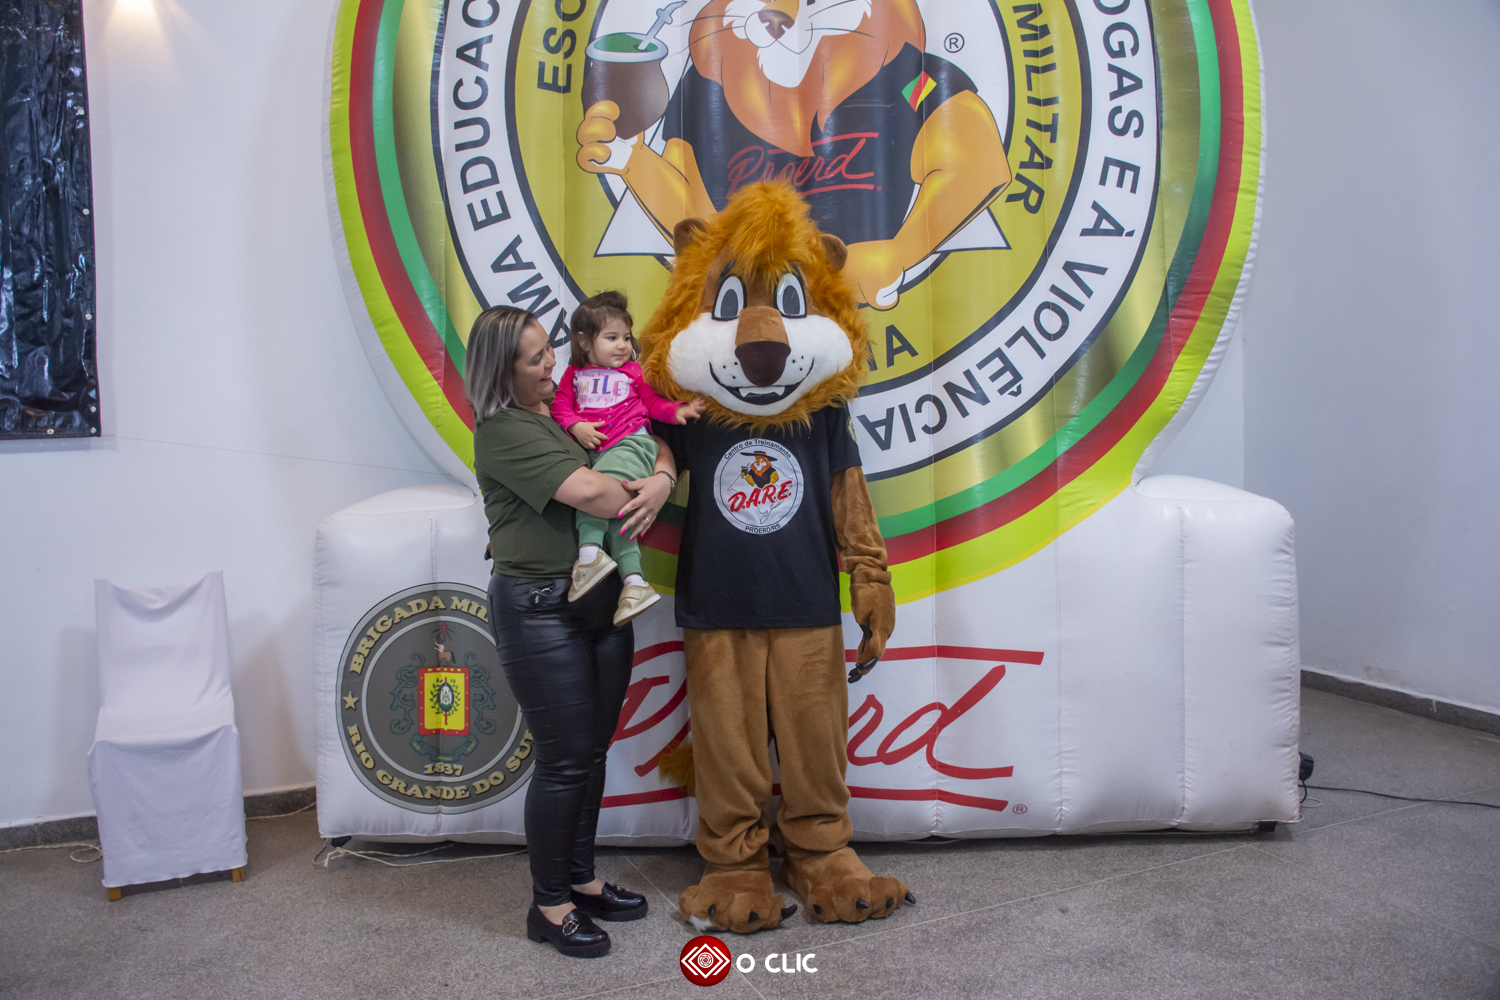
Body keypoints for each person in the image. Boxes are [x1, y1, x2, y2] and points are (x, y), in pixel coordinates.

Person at [466, 305, 677, 959]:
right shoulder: (502, 429)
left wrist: (663, 476)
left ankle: (581, 881)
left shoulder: (565, 408)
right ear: (502, 371)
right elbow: (593, 494)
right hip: (541, 608)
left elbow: (649, 436)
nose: (551, 363)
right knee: (563, 759)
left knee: (591, 752)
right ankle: (550, 905)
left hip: (601, 602)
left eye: (547, 349)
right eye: (534, 359)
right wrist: (651, 491)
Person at [550, 291, 705, 624]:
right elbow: (560, 405)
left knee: (594, 496)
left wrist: (677, 410)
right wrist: (576, 425)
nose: (622, 345)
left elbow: (651, 403)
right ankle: (634, 583)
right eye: (611, 338)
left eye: (625, 337)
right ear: (584, 340)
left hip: (632, 444)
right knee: (622, 515)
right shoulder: (574, 374)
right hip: (598, 453)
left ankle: (589, 554)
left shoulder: (634, 372)